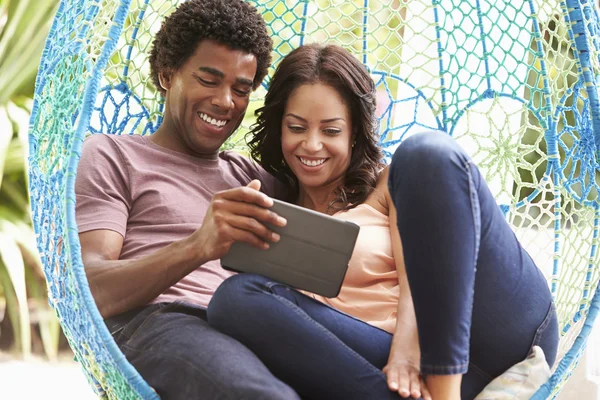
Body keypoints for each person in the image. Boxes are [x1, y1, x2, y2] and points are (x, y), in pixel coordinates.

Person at [207, 43, 559, 400]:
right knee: (234, 299)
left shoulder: (391, 185)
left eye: (330, 131)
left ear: (355, 132)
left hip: (490, 328)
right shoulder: (276, 215)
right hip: (385, 367)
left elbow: (417, 276)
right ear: (279, 128)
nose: (311, 145)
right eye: (297, 127)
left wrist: (408, 350)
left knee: (425, 155)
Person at [74, 1, 300, 399]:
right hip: (159, 321)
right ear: (167, 75)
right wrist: (199, 245)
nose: (225, 101)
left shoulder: (253, 179)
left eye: (241, 89)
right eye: (209, 80)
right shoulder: (112, 155)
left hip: (251, 322)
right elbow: (92, 291)